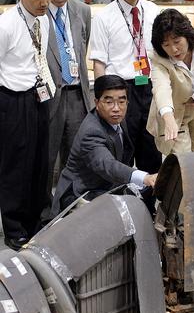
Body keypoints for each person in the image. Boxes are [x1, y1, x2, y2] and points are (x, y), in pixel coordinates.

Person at [89, 0, 161, 176]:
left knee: (152, 151)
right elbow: (99, 62)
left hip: (150, 88)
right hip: (121, 91)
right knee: (122, 153)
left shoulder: (154, 11)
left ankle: (152, 206)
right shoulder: (104, 18)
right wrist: (105, 101)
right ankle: (124, 206)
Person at [0, 0, 55, 250]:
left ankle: (35, 222)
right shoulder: (6, 26)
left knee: (39, 163)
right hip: (11, 100)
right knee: (15, 167)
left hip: (38, 96)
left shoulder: (43, 19)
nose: (44, 2)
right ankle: (14, 227)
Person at [51, 75, 157, 217]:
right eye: (109, 102)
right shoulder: (91, 132)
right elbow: (107, 164)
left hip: (106, 186)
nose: (116, 108)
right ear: (96, 102)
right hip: (80, 195)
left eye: (121, 101)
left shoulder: (117, 118)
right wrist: (144, 178)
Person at [147, 9, 194, 187]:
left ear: (187, 35)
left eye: (177, 42)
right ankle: (183, 211)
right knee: (183, 164)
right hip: (175, 114)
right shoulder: (159, 58)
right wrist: (168, 118)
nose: (173, 49)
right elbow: (161, 88)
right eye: (166, 44)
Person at [43, 0, 92, 217]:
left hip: (77, 95)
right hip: (49, 97)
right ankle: (44, 211)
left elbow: (83, 48)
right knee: (47, 157)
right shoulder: (39, 13)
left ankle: (70, 206)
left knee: (75, 155)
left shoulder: (82, 11)